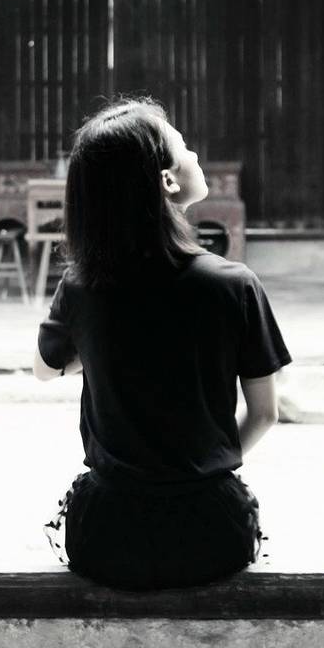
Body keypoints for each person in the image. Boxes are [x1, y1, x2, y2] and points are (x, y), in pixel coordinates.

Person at [34, 97, 292, 590]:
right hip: (210, 531)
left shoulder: (83, 285)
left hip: (105, 535)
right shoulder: (234, 285)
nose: (194, 154)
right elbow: (264, 414)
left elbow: (44, 369)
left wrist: (97, 347)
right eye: (185, 145)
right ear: (168, 181)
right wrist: (198, 470)